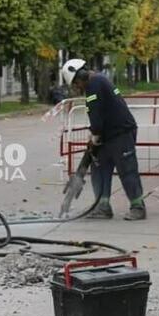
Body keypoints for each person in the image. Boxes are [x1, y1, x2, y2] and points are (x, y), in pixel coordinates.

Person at [62, 59, 146, 220]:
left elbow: (96, 116)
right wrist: (95, 134)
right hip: (107, 134)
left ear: (80, 76)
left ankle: (138, 207)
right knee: (99, 168)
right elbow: (99, 114)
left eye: (75, 83)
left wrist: (94, 134)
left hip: (121, 132)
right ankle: (102, 206)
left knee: (127, 170)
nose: (76, 87)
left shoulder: (93, 85)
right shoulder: (97, 80)